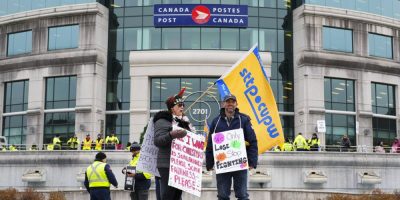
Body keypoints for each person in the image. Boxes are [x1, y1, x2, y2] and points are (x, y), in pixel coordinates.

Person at [205, 94, 258, 200]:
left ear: (236, 104)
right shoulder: (216, 122)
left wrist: (252, 162)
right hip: (223, 165)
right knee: (223, 196)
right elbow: (210, 145)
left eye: (232, 102)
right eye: (227, 101)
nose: (230, 104)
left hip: (240, 164)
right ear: (223, 104)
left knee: (242, 195)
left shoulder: (244, 120)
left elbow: (253, 142)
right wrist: (209, 163)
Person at [153, 88, 195, 200]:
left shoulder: (183, 122)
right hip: (167, 164)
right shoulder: (162, 121)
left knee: (177, 196)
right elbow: (157, 141)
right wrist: (171, 135)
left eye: (183, 105)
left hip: (180, 164)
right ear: (172, 108)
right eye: (179, 105)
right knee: (168, 195)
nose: (182, 107)